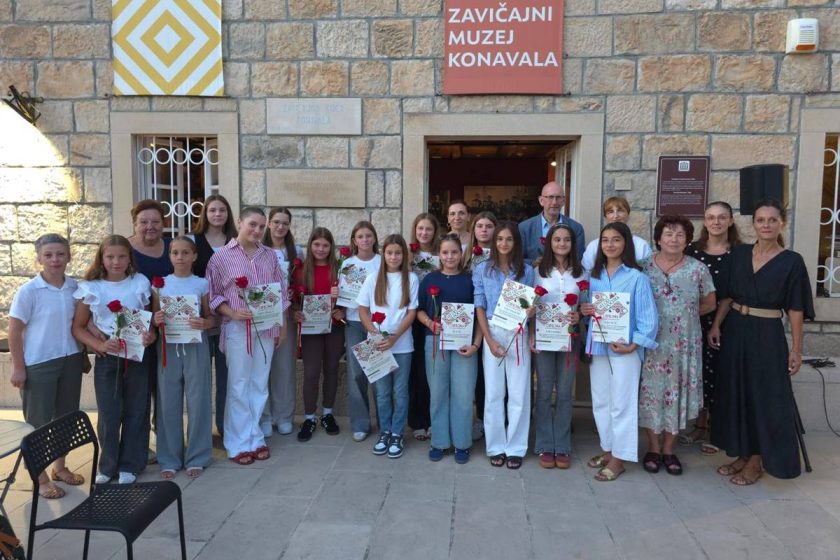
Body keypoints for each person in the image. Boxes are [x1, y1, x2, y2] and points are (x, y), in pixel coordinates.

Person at [709, 198, 814, 485]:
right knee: (737, 392)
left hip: (767, 334)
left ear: (782, 223)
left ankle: (756, 460)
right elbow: (727, 295)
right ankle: (742, 454)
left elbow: (796, 309)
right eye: (760, 220)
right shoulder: (739, 254)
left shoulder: (792, 261)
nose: (766, 225)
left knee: (762, 396)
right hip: (735, 330)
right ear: (753, 224)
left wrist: (796, 349)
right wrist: (716, 325)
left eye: (772, 220)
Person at [207, 207, 289, 465]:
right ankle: (237, 443)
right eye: (252, 224)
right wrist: (232, 312)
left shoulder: (269, 256)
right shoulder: (221, 258)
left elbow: (281, 293)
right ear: (239, 222)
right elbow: (213, 295)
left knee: (259, 385)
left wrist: (283, 327)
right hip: (237, 329)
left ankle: (255, 438)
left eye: (261, 226)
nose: (257, 230)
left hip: (266, 328)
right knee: (238, 385)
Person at [71, 235, 156, 484]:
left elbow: (149, 321)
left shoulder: (139, 283)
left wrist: (150, 336)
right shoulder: (92, 287)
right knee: (109, 413)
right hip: (107, 354)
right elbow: (78, 327)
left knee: (137, 409)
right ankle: (108, 466)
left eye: (121, 256)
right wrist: (98, 344)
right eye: (110, 257)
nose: (116, 262)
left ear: (130, 258)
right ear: (102, 258)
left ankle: (131, 464)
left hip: (137, 353)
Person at [9, 234, 85, 499]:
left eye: (60, 254)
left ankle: (60, 467)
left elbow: (81, 323)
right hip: (39, 363)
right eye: (48, 255)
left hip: (71, 360)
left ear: (69, 256)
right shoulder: (29, 291)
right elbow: (14, 331)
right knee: (37, 423)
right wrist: (18, 367)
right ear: (39, 259)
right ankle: (39, 477)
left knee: (66, 418)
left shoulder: (75, 287)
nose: (55, 260)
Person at [639, 216, 716, 476]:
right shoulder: (643, 267)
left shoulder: (697, 269)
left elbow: (710, 303)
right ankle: (653, 447)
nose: (674, 239)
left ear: (687, 240)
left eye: (680, 235)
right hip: (652, 342)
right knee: (651, 394)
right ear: (658, 238)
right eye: (668, 234)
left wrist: (685, 316)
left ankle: (669, 449)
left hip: (683, 343)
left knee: (675, 394)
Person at [581, 222, 658, 482]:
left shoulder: (637, 278)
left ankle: (620, 458)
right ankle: (608, 448)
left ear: (626, 243)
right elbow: (588, 309)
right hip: (599, 345)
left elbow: (648, 318)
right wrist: (585, 310)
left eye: (616, 239)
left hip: (625, 350)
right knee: (601, 401)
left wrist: (634, 344)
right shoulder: (594, 277)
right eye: (605, 240)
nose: (610, 244)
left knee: (622, 404)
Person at [473, 221, 535, 469]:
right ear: (494, 241)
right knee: (494, 393)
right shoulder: (482, 269)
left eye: (509, 239)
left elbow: (531, 304)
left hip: (518, 332)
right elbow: (479, 305)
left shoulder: (526, 270)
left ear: (516, 242)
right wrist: (488, 340)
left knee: (519, 393)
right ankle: (496, 445)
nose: (504, 243)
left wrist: (531, 312)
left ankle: (516, 447)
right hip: (493, 331)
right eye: (499, 239)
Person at [681, 201, 741, 455]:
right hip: (695, 320)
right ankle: (700, 425)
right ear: (704, 221)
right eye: (711, 217)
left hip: (725, 322)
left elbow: (731, 293)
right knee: (700, 373)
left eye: (721, 217)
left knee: (720, 374)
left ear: (730, 221)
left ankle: (717, 430)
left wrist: (716, 324)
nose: (716, 222)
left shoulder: (739, 253)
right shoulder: (693, 251)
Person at [152, 236, 215, 480]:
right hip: (168, 347)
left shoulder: (201, 284)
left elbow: (211, 317)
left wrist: (205, 323)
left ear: (194, 256)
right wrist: (156, 320)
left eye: (185, 252)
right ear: (169, 256)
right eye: (175, 252)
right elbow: (154, 318)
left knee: (199, 400)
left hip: (195, 345)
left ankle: (198, 455)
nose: (180, 257)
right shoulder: (159, 284)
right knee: (168, 401)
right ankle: (169, 457)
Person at [417, 233, 482, 464]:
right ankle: (439, 441)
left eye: (454, 252)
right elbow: (419, 310)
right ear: (439, 254)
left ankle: (462, 443)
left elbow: (480, 315)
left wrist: (476, 344)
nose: (450, 256)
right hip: (436, 342)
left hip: (465, 344)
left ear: (461, 253)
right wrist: (430, 324)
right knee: (438, 393)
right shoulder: (429, 280)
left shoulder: (470, 280)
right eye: (445, 252)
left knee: (463, 395)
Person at [529, 224, 585, 470]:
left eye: (567, 240)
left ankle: (562, 445)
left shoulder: (581, 273)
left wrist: (579, 315)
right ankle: (544, 443)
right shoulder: (538, 272)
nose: (562, 244)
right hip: (544, 337)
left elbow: (586, 305)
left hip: (569, 338)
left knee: (564, 392)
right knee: (543, 391)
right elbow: (531, 306)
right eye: (557, 239)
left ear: (573, 243)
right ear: (549, 243)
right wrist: (532, 333)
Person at [358, 234, 419, 459]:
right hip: (377, 346)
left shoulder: (411, 279)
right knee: (382, 392)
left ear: (404, 255)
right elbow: (362, 310)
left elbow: (411, 313)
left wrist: (394, 338)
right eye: (390, 253)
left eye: (398, 253)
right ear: (383, 254)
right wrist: (375, 334)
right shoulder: (373, 278)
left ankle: (397, 433)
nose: (394, 257)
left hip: (402, 345)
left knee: (400, 392)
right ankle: (385, 431)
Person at [127, 199, 173, 464]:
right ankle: (140, 446)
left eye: (155, 221)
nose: (150, 226)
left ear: (163, 223)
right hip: (136, 331)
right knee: (139, 392)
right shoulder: (124, 250)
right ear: (134, 223)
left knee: (163, 389)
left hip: (169, 329)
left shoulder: (172, 247)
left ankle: (165, 441)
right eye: (143, 222)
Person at [292, 227, 345, 442]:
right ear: (310, 245)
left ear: (331, 247)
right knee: (312, 372)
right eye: (316, 244)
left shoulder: (339, 270)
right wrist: (296, 312)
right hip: (311, 330)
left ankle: (328, 413)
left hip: (335, 327)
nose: (321, 249)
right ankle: (309, 417)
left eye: (325, 245)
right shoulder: (300, 271)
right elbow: (294, 300)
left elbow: (351, 298)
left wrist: (343, 311)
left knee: (332, 369)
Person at [193, 195, 237, 438]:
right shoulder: (194, 241)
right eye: (212, 210)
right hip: (199, 320)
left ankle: (224, 427)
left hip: (228, 318)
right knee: (200, 379)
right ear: (205, 214)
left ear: (228, 214)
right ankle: (201, 433)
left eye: (222, 210)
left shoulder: (236, 242)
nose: (218, 214)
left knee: (226, 377)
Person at [261, 207, 304, 437]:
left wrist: (296, 306)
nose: (280, 227)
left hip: (286, 316)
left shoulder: (296, 252)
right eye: (276, 222)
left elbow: (301, 284)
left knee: (284, 368)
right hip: (263, 317)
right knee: (262, 368)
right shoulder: (258, 248)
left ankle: (284, 416)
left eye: (285, 223)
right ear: (269, 223)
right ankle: (265, 417)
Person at [339, 221, 382, 442]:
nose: (365, 240)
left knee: (379, 371)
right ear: (354, 240)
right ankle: (360, 423)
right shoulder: (347, 264)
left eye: (368, 235)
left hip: (378, 323)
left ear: (374, 238)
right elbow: (343, 295)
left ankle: (384, 422)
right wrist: (337, 301)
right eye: (360, 236)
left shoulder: (382, 262)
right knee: (356, 373)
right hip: (355, 322)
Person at [463, 211, 497, 442]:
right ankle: (478, 419)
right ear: (473, 229)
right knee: (475, 375)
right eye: (479, 226)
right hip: (469, 320)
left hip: (492, 319)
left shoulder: (501, 254)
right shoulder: (465, 256)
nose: (484, 230)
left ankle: (493, 420)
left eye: (488, 226)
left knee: (492, 375)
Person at [408, 213, 440, 441]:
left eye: (428, 229)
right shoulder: (408, 254)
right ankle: (417, 421)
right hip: (411, 317)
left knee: (432, 372)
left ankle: (431, 420)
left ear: (435, 231)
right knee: (415, 372)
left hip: (433, 316)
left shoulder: (442, 254)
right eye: (420, 228)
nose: (424, 233)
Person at [519, 181, 585, 264]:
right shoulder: (525, 228)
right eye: (550, 197)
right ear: (541, 200)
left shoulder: (576, 228)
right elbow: (517, 259)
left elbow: (578, 258)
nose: (554, 202)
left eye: (558, 197)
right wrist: (533, 263)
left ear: (563, 201)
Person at [581, 196, 652, 270]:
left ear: (628, 214)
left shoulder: (641, 245)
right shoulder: (594, 246)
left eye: (620, 211)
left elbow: (648, 272)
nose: (615, 216)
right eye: (610, 212)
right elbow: (586, 272)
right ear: (605, 217)